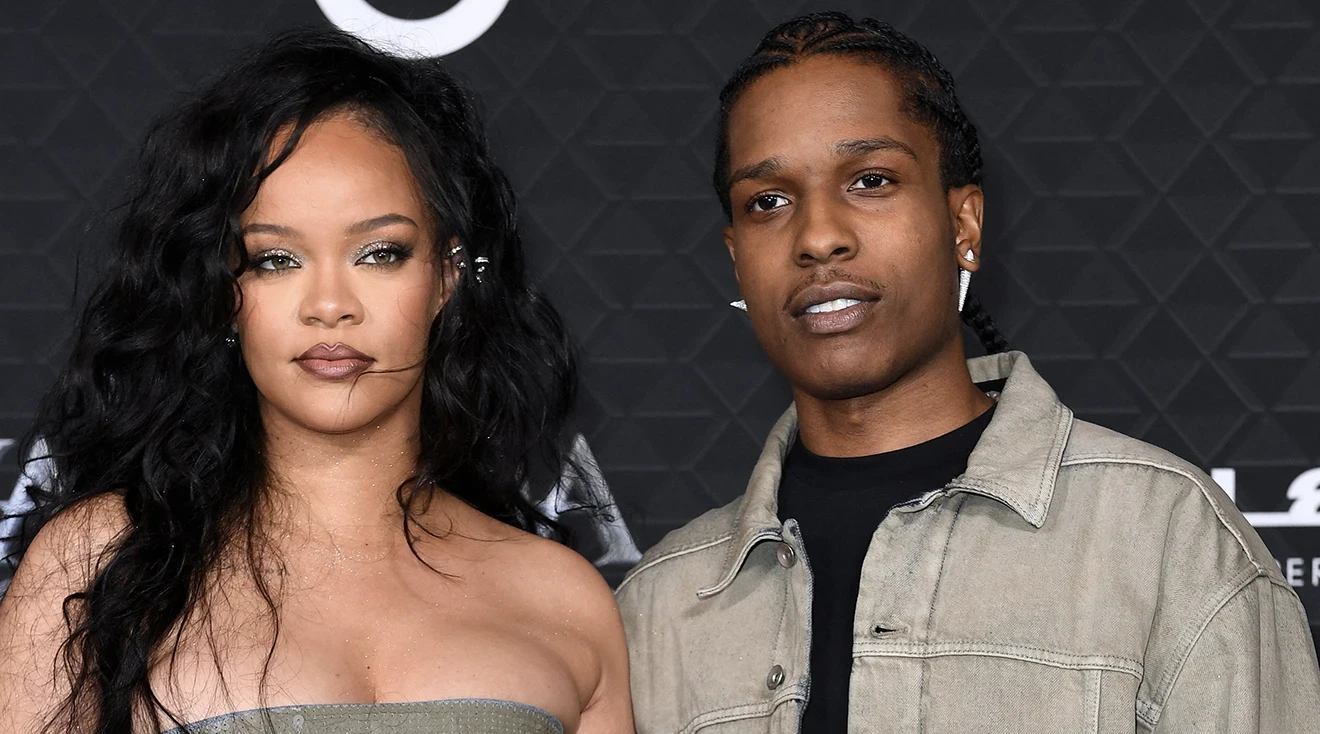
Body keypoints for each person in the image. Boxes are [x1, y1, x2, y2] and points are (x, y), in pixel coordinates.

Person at [616, 11, 1320, 733]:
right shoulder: (659, 606)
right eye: (769, 201)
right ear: (736, 256)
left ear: (965, 228)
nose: (819, 236)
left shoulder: (1169, 541)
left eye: (870, 180)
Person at [0, 29, 632, 734]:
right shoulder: (98, 564)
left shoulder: (564, 601)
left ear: (448, 276)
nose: (330, 303)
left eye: (380, 253)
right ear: (223, 293)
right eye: (275, 260)